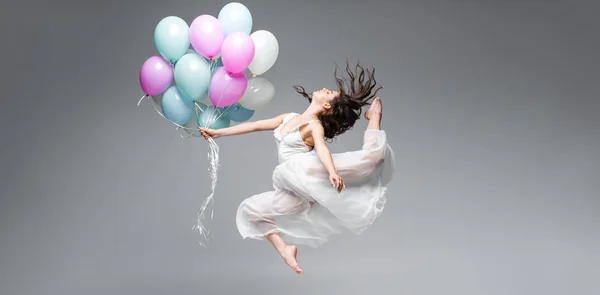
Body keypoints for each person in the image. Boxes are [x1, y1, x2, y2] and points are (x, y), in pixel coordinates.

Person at [199, 62, 395, 274]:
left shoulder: (314, 125)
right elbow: (254, 126)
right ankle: (285, 251)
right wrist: (219, 133)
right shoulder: (288, 117)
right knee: (250, 210)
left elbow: (321, 149)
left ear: (327, 106)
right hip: (293, 189)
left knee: (372, 159)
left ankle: (374, 118)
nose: (324, 89)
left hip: (310, 172)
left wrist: (331, 172)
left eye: (328, 93)